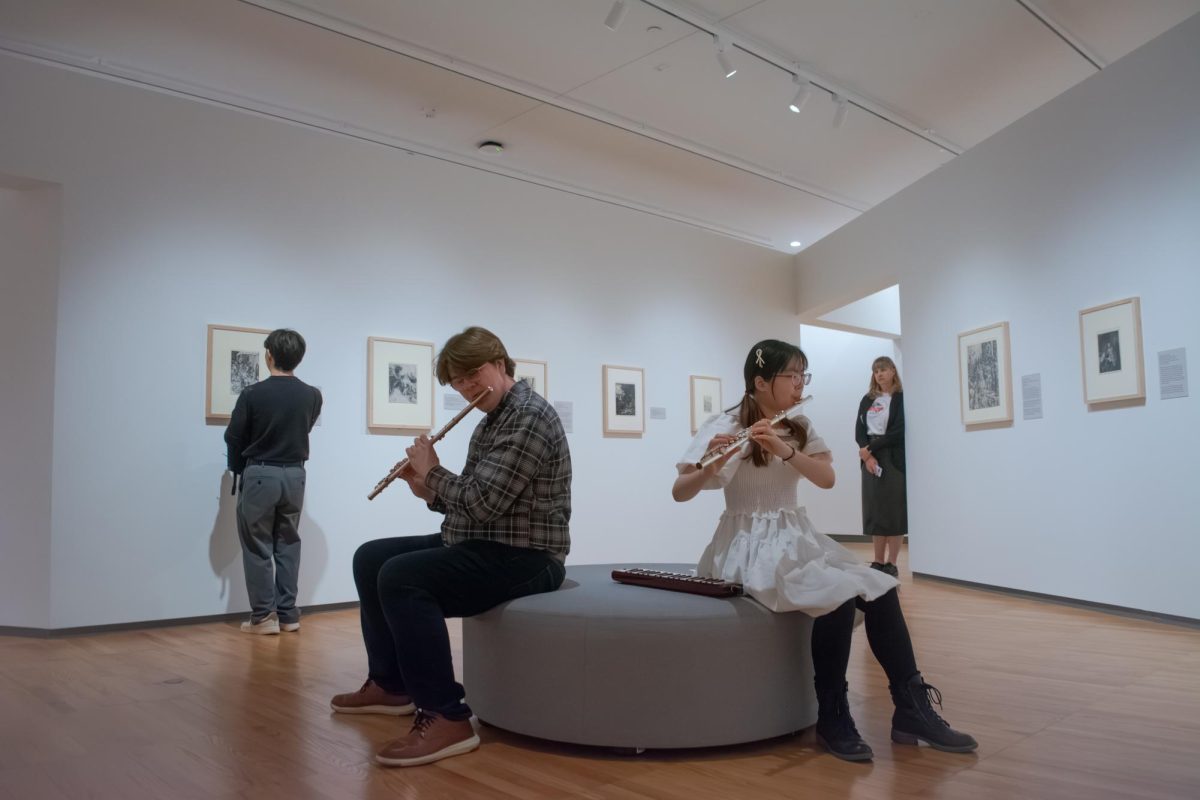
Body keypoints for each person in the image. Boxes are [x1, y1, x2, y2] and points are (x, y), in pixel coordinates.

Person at [672, 340, 975, 762]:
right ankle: (832, 715)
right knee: (837, 594)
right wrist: (714, 461)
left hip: (794, 535)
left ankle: (911, 709)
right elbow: (680, 492)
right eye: (792, 376)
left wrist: (785, 450)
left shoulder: (797, 425)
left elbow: (826, 479)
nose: (800, 384)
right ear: (760, 382)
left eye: (803, 375)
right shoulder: (724, 423)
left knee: (881, 588)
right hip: (746, 544)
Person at [330, 326, 571, 768]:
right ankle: (391, 685)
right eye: (457, 382)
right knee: (371, 557)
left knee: (402, 577)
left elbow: (482, 502)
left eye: (472, 375)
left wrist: (433, 471)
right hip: (487, 539)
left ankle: (446, 716)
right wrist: (427, 490)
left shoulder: (529, 417)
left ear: (499, 363)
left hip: (529, 557)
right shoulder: (494, 419)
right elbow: (475, 502)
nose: (466, 388)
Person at [224, 328, 323, 635]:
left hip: (260, 473)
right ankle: (289, 615)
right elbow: (305, 427)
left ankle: (264, 617)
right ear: (299, 357)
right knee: (288, 543)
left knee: (257, 545)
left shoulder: (252, 394)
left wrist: (237, 468)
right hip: (295, 475)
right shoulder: (312, 395)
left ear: (269, 355)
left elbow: (233, 437)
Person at [856, 356, 907, 577]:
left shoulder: (901, 398)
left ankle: (891, 563)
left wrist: (871, 449)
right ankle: (877, 561)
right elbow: (859, 430)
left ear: (893, 371)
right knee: (875, 510)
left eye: (883, 369)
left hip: (892, 457)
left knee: (894, 511)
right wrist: (866, 455)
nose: (879, 374)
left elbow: (898, 431)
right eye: (876, 371)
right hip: (870, 458)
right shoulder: (867, 399)